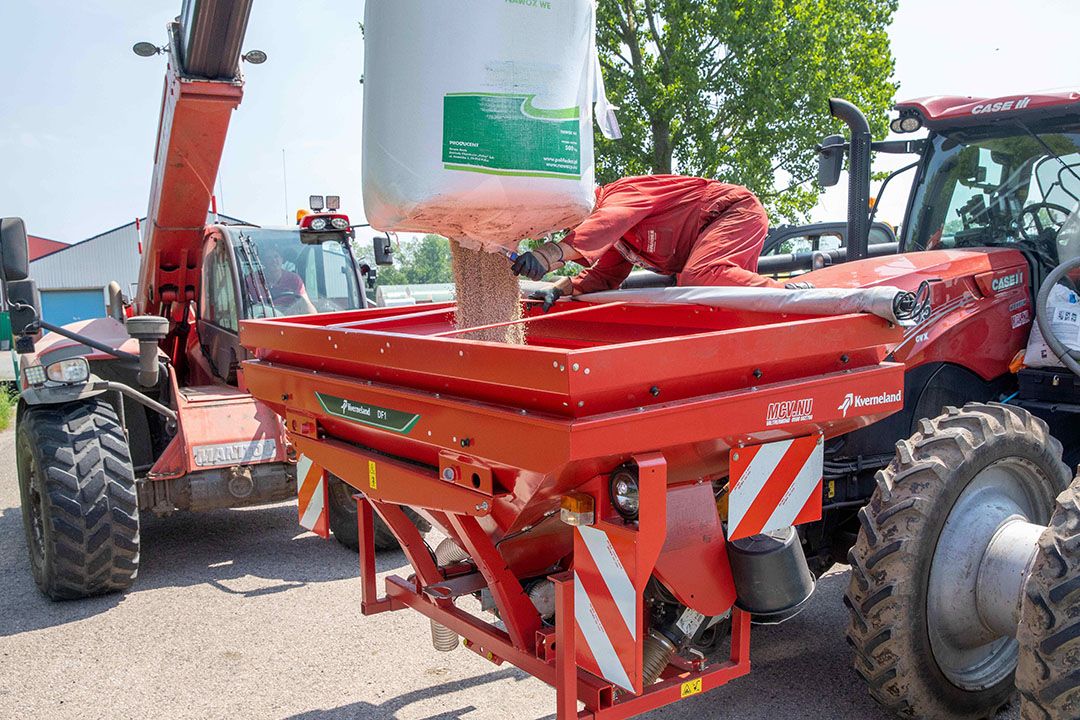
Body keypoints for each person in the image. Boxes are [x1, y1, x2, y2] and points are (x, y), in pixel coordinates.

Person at [512, 175, 799, 308]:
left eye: (566, 221)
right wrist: (560, 289)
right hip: (709, 231)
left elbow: (608, 221)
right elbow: (603, 277)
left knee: (700, 277)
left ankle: (790, 292)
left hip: (732, 211)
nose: (567, 228)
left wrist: (548, 255)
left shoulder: (619, 196)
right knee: (718, 297)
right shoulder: (622, 239)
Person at [249, 247, 316, 315]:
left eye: (276, 256)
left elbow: (306, 304)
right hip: (261, 319)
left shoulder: (294, 279)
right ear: (262, 262)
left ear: (282, 259)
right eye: (269, 258)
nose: (274, 260)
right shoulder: (252, 280)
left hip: (288, 318)